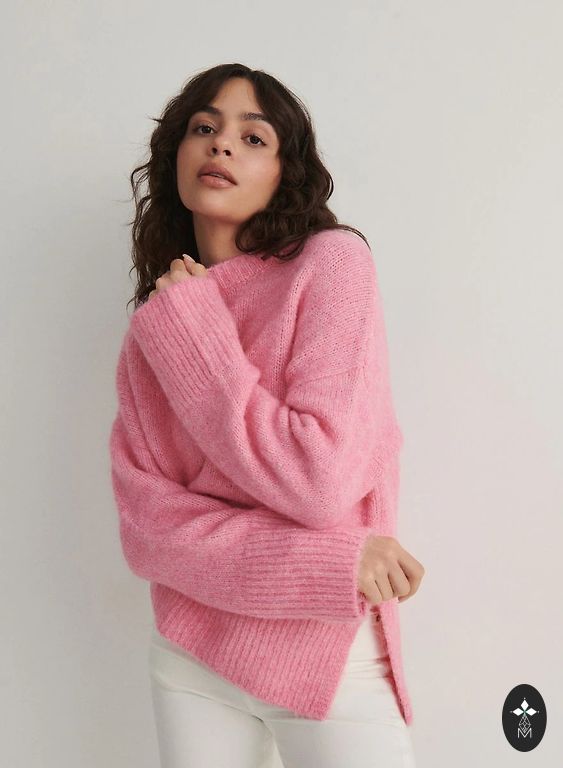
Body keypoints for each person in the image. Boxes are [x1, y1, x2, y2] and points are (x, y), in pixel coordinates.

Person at [109, 62, 425, 768]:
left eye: (253, 137)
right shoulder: (158, 325)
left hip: (325, 653)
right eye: (204, 127)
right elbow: (148, 531)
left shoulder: (330, 265)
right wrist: (330, 559)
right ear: (176, 156)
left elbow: (317, 479)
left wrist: (198, 337)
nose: (221, 144)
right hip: (190, 654)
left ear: (285, 173)